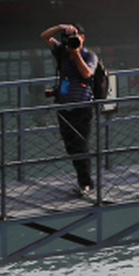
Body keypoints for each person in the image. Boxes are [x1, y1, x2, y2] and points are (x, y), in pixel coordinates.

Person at [43, 22, 99, 196]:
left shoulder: (89, 56)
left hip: (83, 108)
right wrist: (60, 28)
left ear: (83, 39)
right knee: (71, 147)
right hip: (64, 108)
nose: (72, 43)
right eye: (69, 40)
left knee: (81, 146)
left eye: (76, 39)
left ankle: (87, 184)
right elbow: (44, 37)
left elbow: (87, 74)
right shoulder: (61, 52)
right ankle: (81, 180)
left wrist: (76, 55)